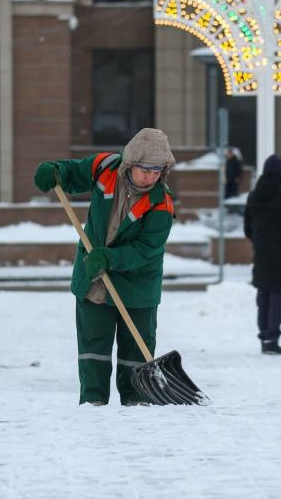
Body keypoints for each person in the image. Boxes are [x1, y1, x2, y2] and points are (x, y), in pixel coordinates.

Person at [33, 128, 177, 406]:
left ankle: (136, 402)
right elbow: (74, 172)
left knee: (135, 351)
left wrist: (111, 259)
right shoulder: (106, 167)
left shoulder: (161, 203)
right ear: (130, 163)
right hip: (93, 277)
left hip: (138, 286)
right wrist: (56, 171)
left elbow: (146, 250)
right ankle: (93, 402)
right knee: (93, 346)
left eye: (157, 170)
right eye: (145, 169)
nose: (150, 176)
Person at [243, 154, 281, 355]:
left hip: (262, 254)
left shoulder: (253, 196)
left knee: (264, 295)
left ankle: (265, 338)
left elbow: (247, 228)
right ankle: (272, 338)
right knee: (280, 294)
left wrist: (260, 242)